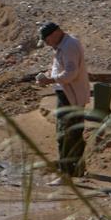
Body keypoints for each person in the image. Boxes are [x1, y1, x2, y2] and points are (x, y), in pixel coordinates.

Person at [35, 21, 90, 182]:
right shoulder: (65, 44)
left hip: (69, 96)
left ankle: (66, 175)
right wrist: (48, 75)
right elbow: (62, 67)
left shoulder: (68, 46)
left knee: (64, 135)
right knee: (74, 133)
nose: (47, 44)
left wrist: (50, 80)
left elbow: (70, 74)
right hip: (71, 95)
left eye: (47, 40)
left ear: (54, 34)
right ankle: (77, 170)